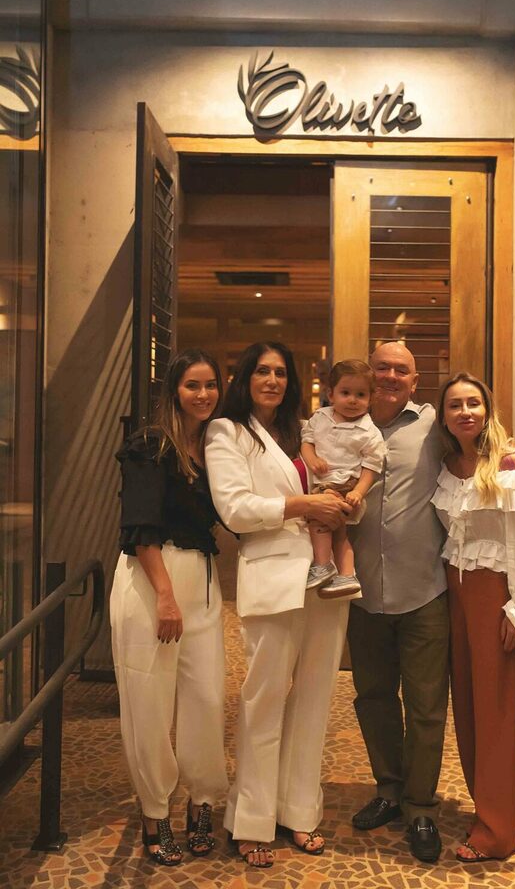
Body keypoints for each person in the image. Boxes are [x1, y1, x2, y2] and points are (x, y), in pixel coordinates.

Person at [347, 342, 515, 864]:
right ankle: (388, 790)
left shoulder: (433, 427)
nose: (390, 376)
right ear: (370, 372)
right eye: (382, 368)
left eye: (402, 370)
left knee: (429, 707)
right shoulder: (342, 422)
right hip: (364, 591)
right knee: (373, 697)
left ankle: (420, 807)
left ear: (415, 382)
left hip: (426, 593)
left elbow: (491, 446)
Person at [205, 341, 352, 869]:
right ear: (245, 377)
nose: (272, 380)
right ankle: (250, 820)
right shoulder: (227, 432)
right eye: (263, 371)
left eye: (281, 373)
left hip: (325, 578)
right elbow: (235, 509)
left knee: (315, 699)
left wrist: (338, 503)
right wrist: (304, 504)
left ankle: (299, 812)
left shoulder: (303, 432)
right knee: (263, 700)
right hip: (271, 574)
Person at [110, 348, 228, 866]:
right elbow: (140, 526)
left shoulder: (216, 448)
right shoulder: (150, 445)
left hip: (202, 579)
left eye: (210, 385)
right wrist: (164, 595)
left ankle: (202, 799)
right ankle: (155, 810)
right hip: (151, 578)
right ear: (174, 391)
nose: (203, 394)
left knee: (207, 695)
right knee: (149, 701)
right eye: (192, 385)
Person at [432, 371, 515, 862]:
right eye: (455, 404)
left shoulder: (508, 464)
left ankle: (499, 832)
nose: (465, 412)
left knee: (499, 711)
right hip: (455, 592)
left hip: (496, 593)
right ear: (443, 416)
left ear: (487, 410)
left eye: (473, 403)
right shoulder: (445, 465)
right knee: (469, 707)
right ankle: (487, 810)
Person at [300, 358, 386, 599]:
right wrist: (312, 458)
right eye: (345, 393)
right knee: (339, 532)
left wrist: (359, 491)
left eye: (360, 395)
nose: (352, 400)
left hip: (346, 486)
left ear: (371, 398)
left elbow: (371, 467)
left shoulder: (369, 432)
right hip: (323, 481)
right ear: (331, 394)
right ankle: (347, 575)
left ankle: (322, 565)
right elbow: (307, 441)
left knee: (319, 522)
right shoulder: (320, 418)